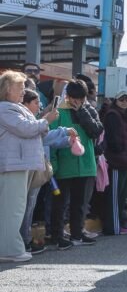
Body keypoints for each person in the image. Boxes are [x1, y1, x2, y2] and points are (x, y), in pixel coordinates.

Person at [0, 72, 59, 262]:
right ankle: (10, 249)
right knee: (13, 209)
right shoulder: (5, 108)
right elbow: (26, 129)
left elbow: (33, 129)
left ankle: (10, 247)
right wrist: (46, 120)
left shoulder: (14, 107)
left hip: (18, 164)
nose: (23, 91)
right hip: (13, 165)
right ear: (7, 89)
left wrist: (43, 122)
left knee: (15, 207)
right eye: (19, 87)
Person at [19, 89, 74, 255]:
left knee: (28, 206)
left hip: (36, 169)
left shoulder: (32, 121)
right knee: (24, 208)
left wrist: (66, 141)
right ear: (25, 104)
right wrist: (64, 131)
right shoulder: (24, 121)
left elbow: (47, 139)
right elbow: (44, 137)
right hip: (26, 169)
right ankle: (23, 242)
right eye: (36, 103)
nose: (40, 106)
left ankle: (24, 240)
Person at [49, 80, 100, 250]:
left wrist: (83, 112)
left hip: (86, 164)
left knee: (81, 203)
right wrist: (53, 165)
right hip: (64, 165)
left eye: (81, 98)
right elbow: (51, 139)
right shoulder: (58, 112)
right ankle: (57, 236)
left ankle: (77, 233)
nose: (77, 101)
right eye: (74, 98)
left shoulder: (89, 110)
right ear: (68, 96)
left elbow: (96, 131)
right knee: (60, 203)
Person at [102, 89, 127, 235]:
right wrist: (118, 151)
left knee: (122, 197)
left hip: (126, 162)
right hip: (116, 162)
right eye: (121, 99)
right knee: (114, 198)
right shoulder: (113, 115)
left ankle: (119, 224)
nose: (124, 102)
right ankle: (113, 227)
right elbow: (113, 139)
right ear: (116, 101)